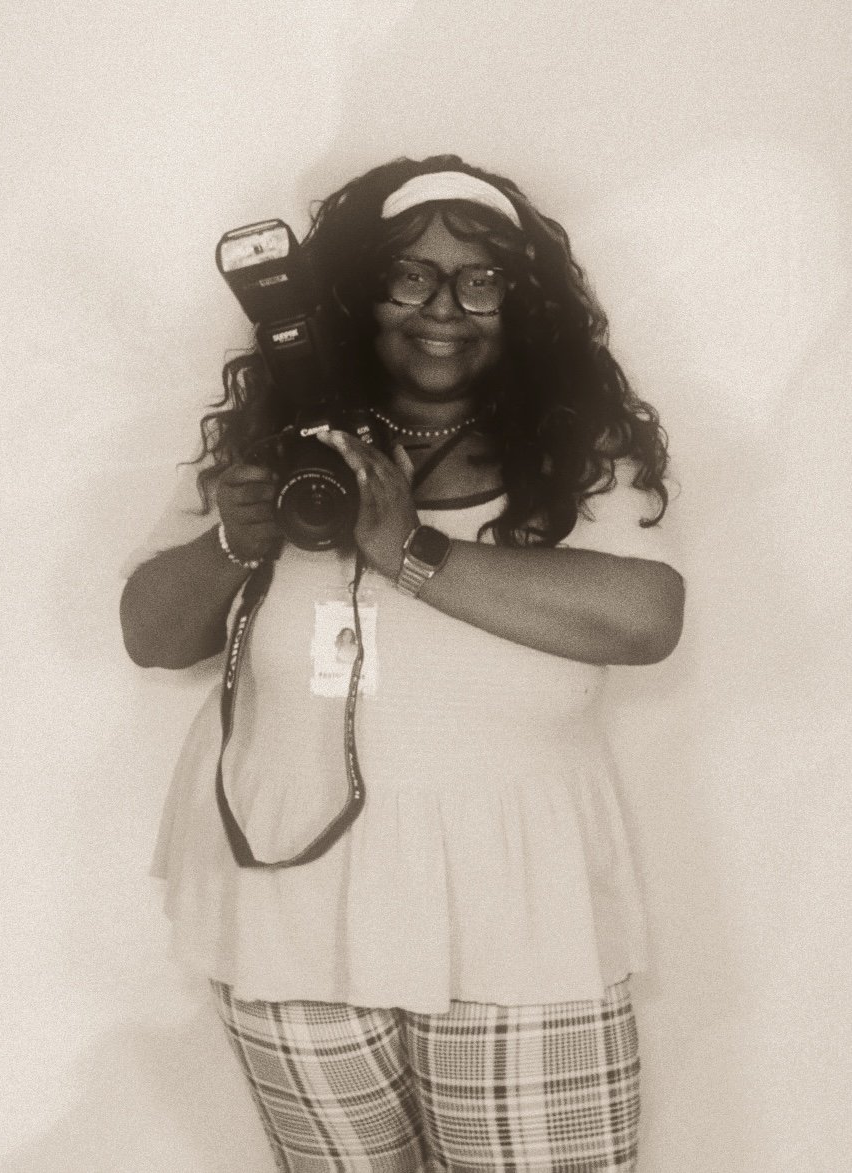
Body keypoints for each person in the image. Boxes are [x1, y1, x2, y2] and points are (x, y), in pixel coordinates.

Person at [120, 154, 685, 1172]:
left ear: (521, 302)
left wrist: (409, 549)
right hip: (286, 894)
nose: (444, 309)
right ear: (352, 291)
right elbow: (153, 637)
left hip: (518, 903)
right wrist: (233, 538)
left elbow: (643, 619)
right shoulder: (275, 438)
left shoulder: (579, 447)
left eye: (481, 280)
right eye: (409, 275)